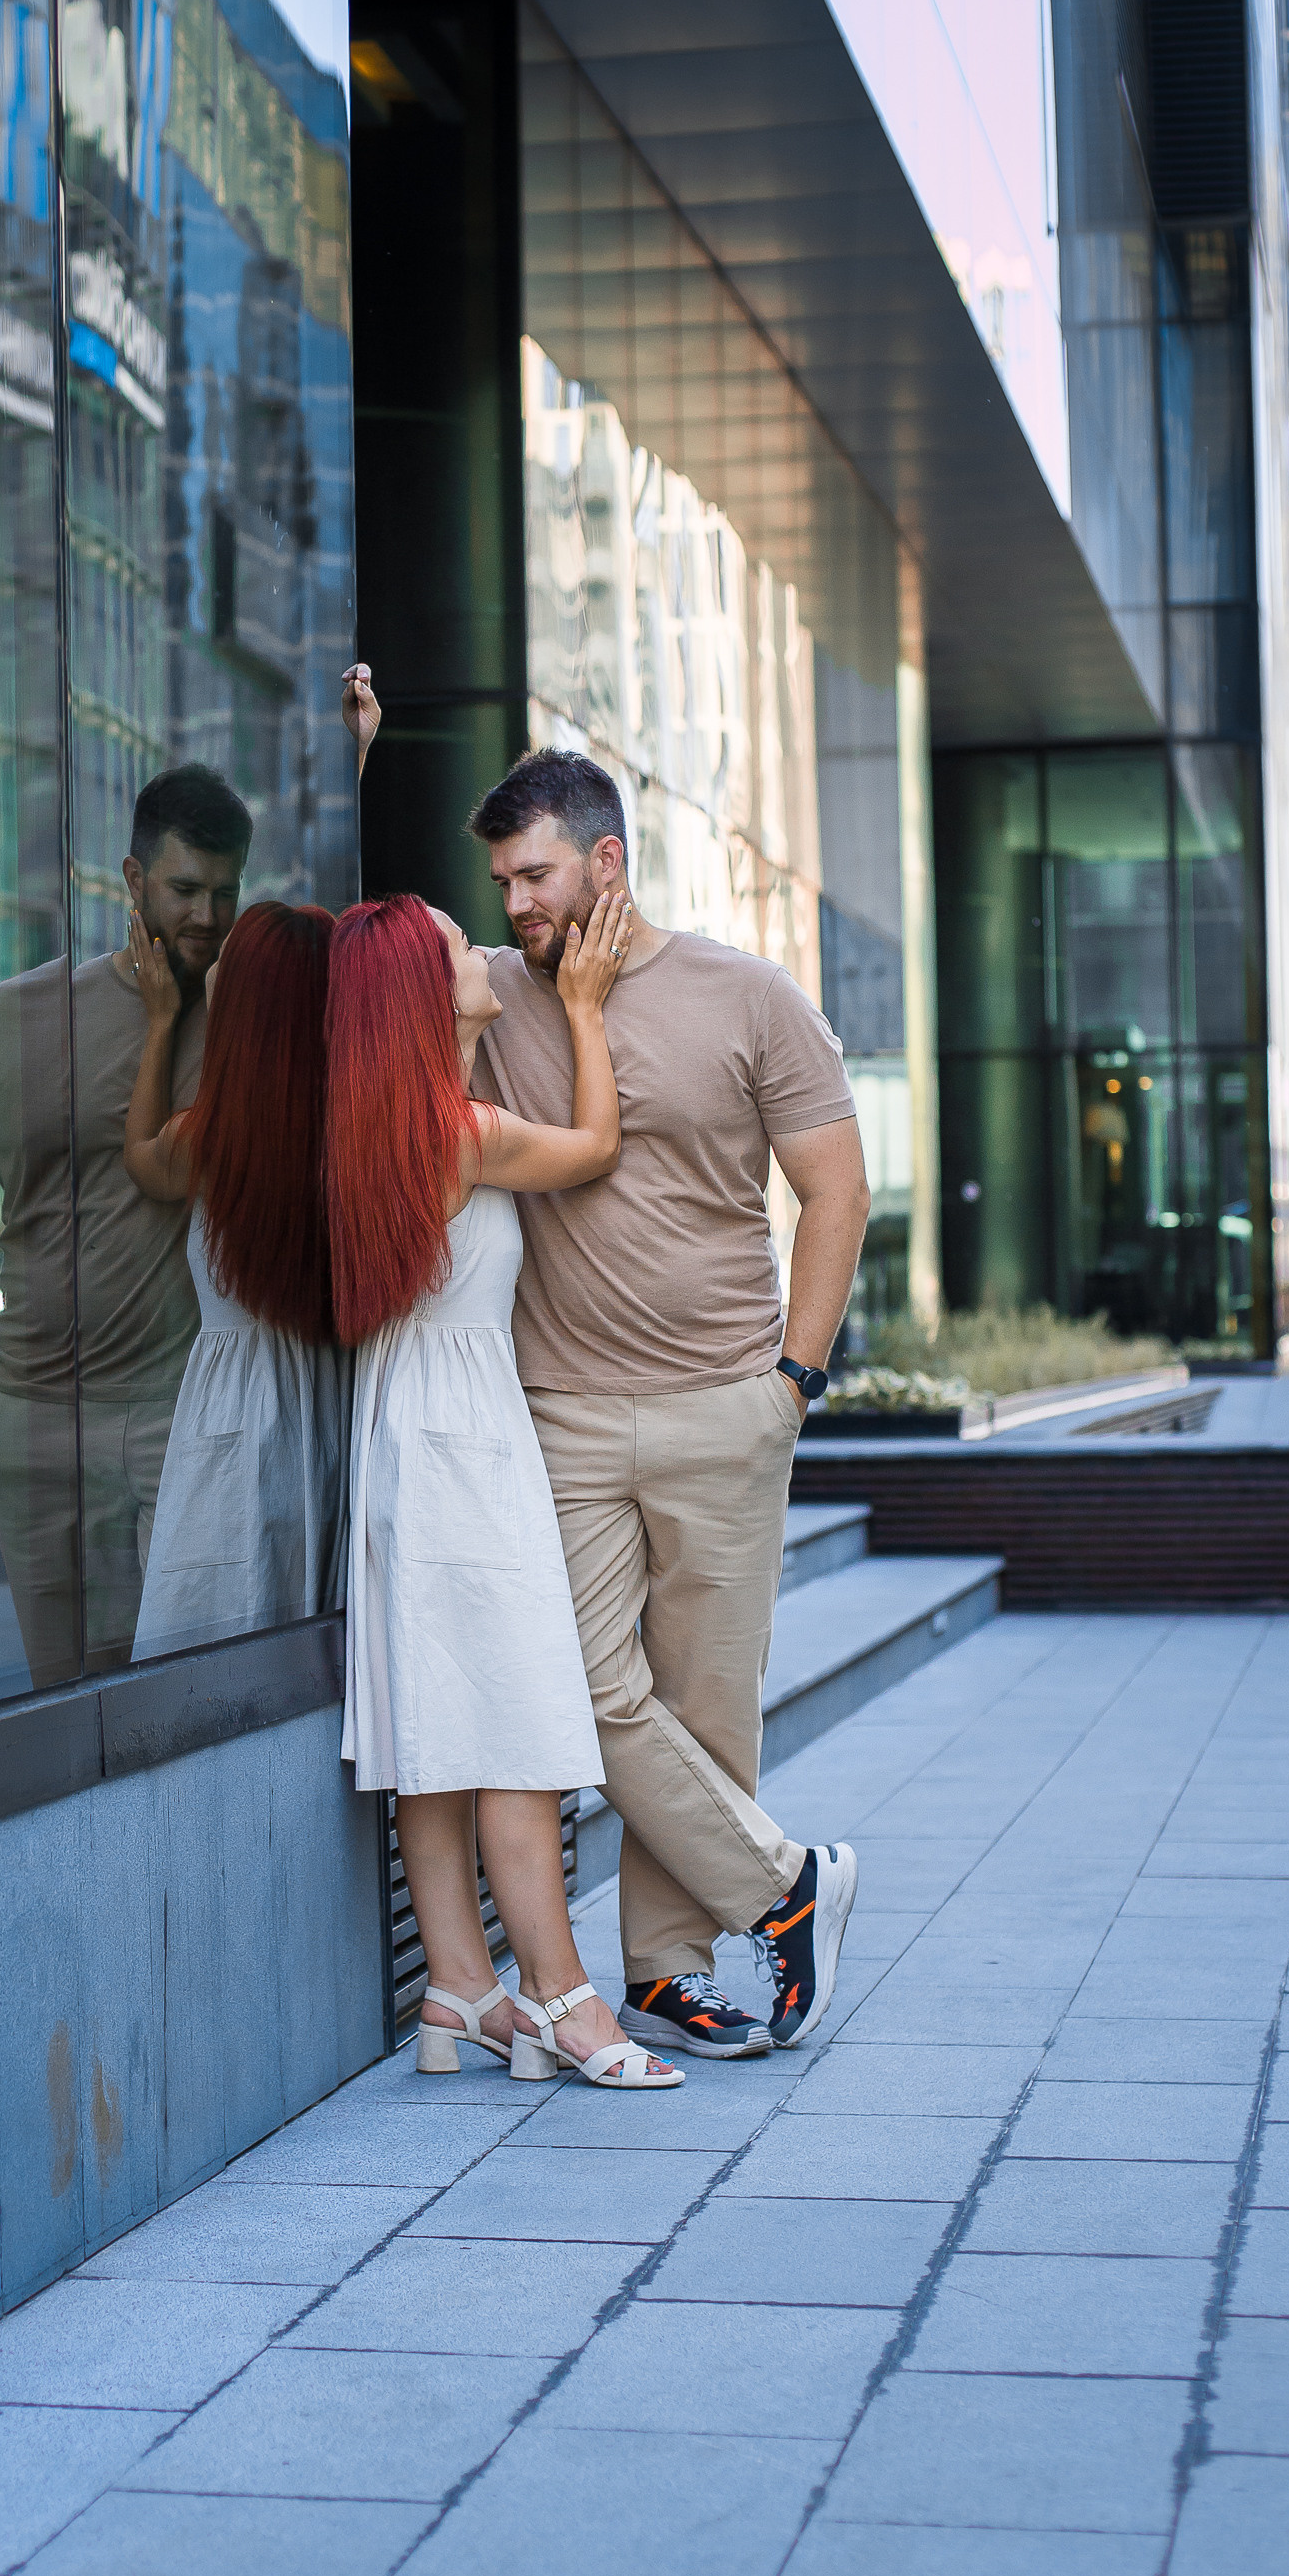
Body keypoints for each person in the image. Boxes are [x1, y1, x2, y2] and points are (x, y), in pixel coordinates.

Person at [455, 742, 871, 2059]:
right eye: (502, 880)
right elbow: (348, 961)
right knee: (581, 1692)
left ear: (607, 859)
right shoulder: (488, 998)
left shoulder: (749, 997)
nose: (516, 904)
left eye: (535, 875)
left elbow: (836, 1193)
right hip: (562, 1410)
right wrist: (348, 761)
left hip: (724, 1406)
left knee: (705, 1705)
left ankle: (672, 1975)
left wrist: (790, 1383)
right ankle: (786, 1888)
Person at [326, 887, 679, 2091]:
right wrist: (582, 1010)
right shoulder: (458, 1131)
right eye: (454, 947)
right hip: (461, 1442)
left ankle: (460, 1990)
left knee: (434, 1731)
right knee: (521, 1721)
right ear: (427, 999)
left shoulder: (381, 1127)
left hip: (403, 1437)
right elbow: (595, 1147)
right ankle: (565, 2000)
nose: (483, 948)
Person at [0, 762, 253, 1685]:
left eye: (226, 893)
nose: (207, 917)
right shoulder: (0, 1023)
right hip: (30, 1416)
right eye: (185, 890)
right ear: (133, 882)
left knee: (178, 1693)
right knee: (60, 1703)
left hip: (176, 1413)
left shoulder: (246, 1025)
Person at [122, 899, 350, 1655]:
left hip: (235, 1406)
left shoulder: (208, 1136)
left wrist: (160, 1024)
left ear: (249, 1002)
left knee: (216, 1630)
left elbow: (141, 1162)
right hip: (330, 1398)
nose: (211, 965)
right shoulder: (347, 1127)